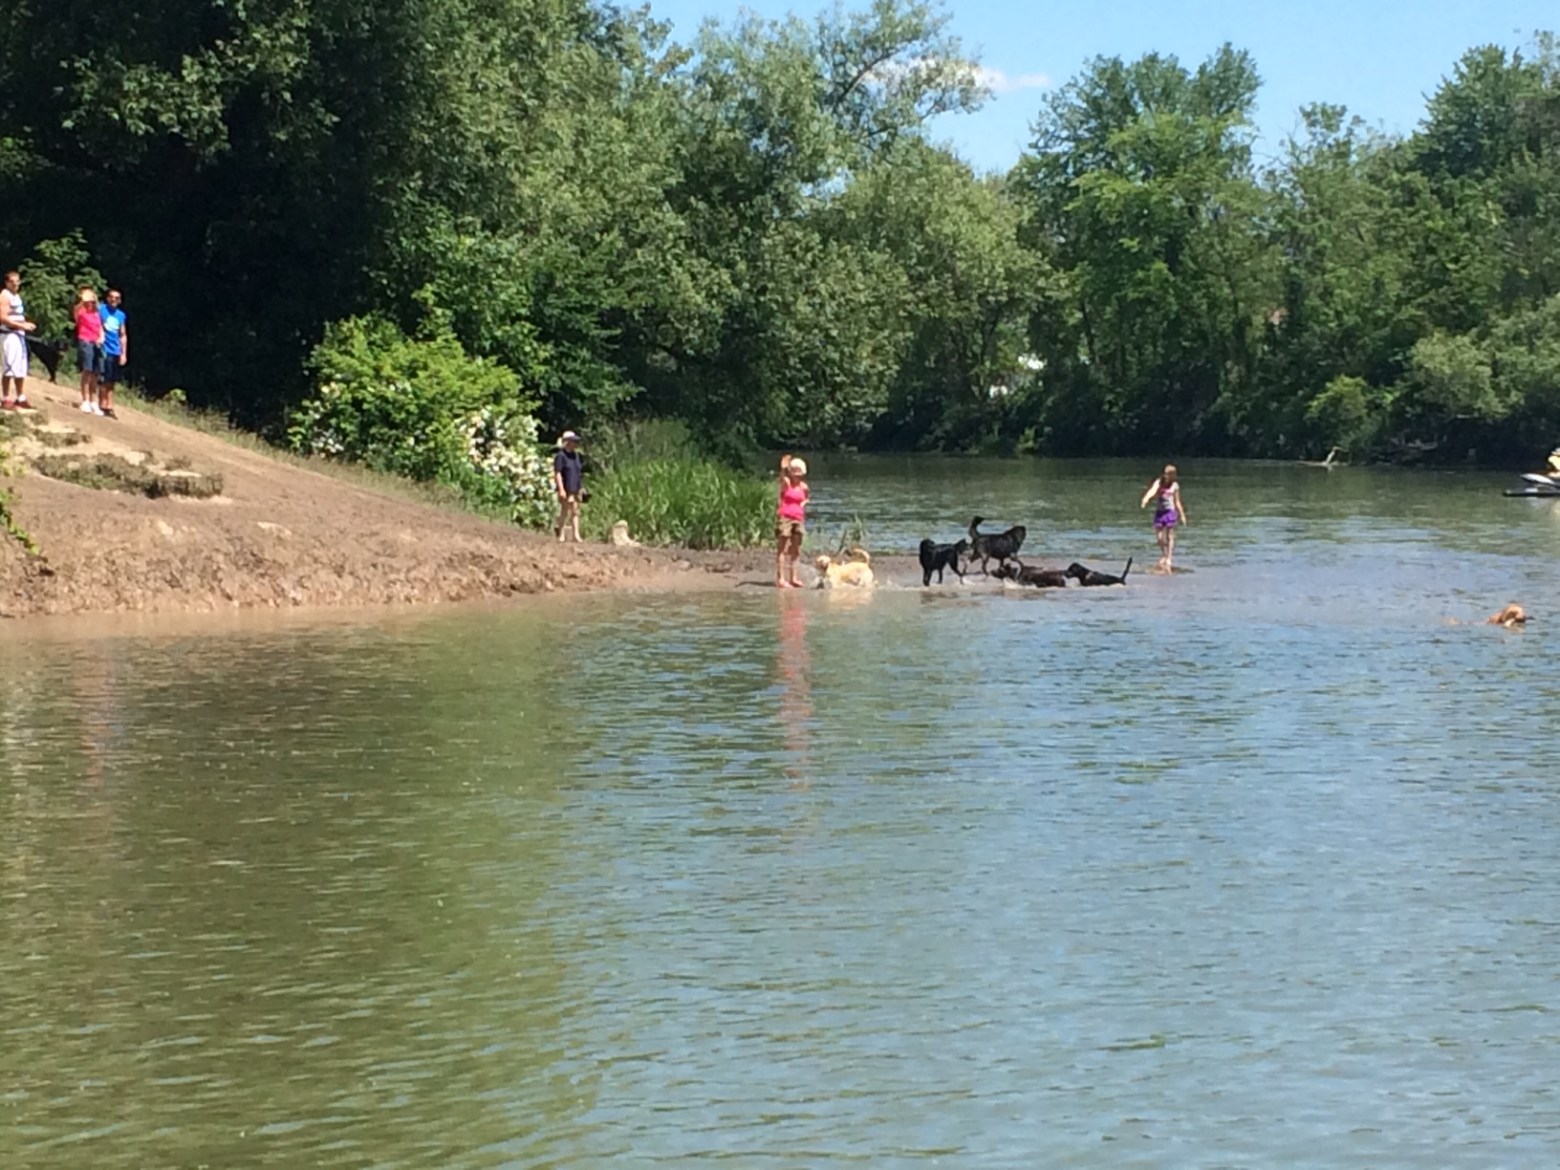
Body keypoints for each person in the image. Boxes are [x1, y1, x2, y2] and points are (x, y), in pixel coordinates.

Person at [1139, 463, 1188, 571]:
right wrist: (1145, 499)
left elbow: (1177, 501)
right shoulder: (1159, 482)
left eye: (1171, 474)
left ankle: (1169, 557)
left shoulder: (1175, 486)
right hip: (1160, 512)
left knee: (1170, 536)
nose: (1168, 476)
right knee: (1160, 538)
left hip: (1170, 512)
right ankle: (1164, 554)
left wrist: (1182, 515)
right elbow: (1152, 491)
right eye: (1167, 474)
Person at [0, 270, 36, 410]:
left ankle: (20, 396)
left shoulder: (16, 296)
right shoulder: (5, 295)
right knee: (9, 366)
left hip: (19, 334)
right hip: (9, 334)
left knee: (20, 367)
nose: (15, 284)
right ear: (7, 282)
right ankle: (6, 397)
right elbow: (3, 317)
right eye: (12, 281)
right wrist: (22, 325)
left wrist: (24, 325)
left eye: (17, 281)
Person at [775, 454, 809, 588]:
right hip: (785, 517)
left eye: (800, 474)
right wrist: (783, 469)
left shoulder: (804, 486)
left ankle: (794, 578)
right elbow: (782, 479)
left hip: (798, 518)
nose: (798, 477)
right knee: (782, 548)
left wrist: (803, 504)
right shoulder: (787, 483)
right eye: (796, 474)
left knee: (795, 549)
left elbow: (806, 498)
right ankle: (781, 579)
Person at [74, 287, 105, 416]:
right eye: (89, 301)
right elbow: (75, 310)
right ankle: (85, 400)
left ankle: (93, 401)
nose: (91, 303)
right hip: (86, 341)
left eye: (93, 301)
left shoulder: (97, 314)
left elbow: (100, 328)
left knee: (96, 373)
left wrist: (101, 338)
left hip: (97, 343)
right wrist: (84, 299)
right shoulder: (81, 312)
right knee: (87, 371)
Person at [97, 287, 128, 419]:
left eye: (117, 298)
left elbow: (122, 334)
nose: (114, 300)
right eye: (111, 297)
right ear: (107, 298)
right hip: (104, 348)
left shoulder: (121, 315)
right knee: (104, 378)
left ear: (119, 301)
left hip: (116, 350)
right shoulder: (101, 310)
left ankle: (110, 406)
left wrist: (123, 353)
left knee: (112, 380)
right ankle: (102, 404)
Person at [553, 430, 584, 542]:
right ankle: (561, 534)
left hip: (575, 487)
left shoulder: (575, 456)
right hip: (566, 488)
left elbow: (578, 472)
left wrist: (580, 488)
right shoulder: (561, 456)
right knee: (565, 511)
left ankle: (576, 535)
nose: (575, 444)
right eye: (573, 441)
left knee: (575, 511)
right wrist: (561, 489)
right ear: (567, 442)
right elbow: (558, 473)